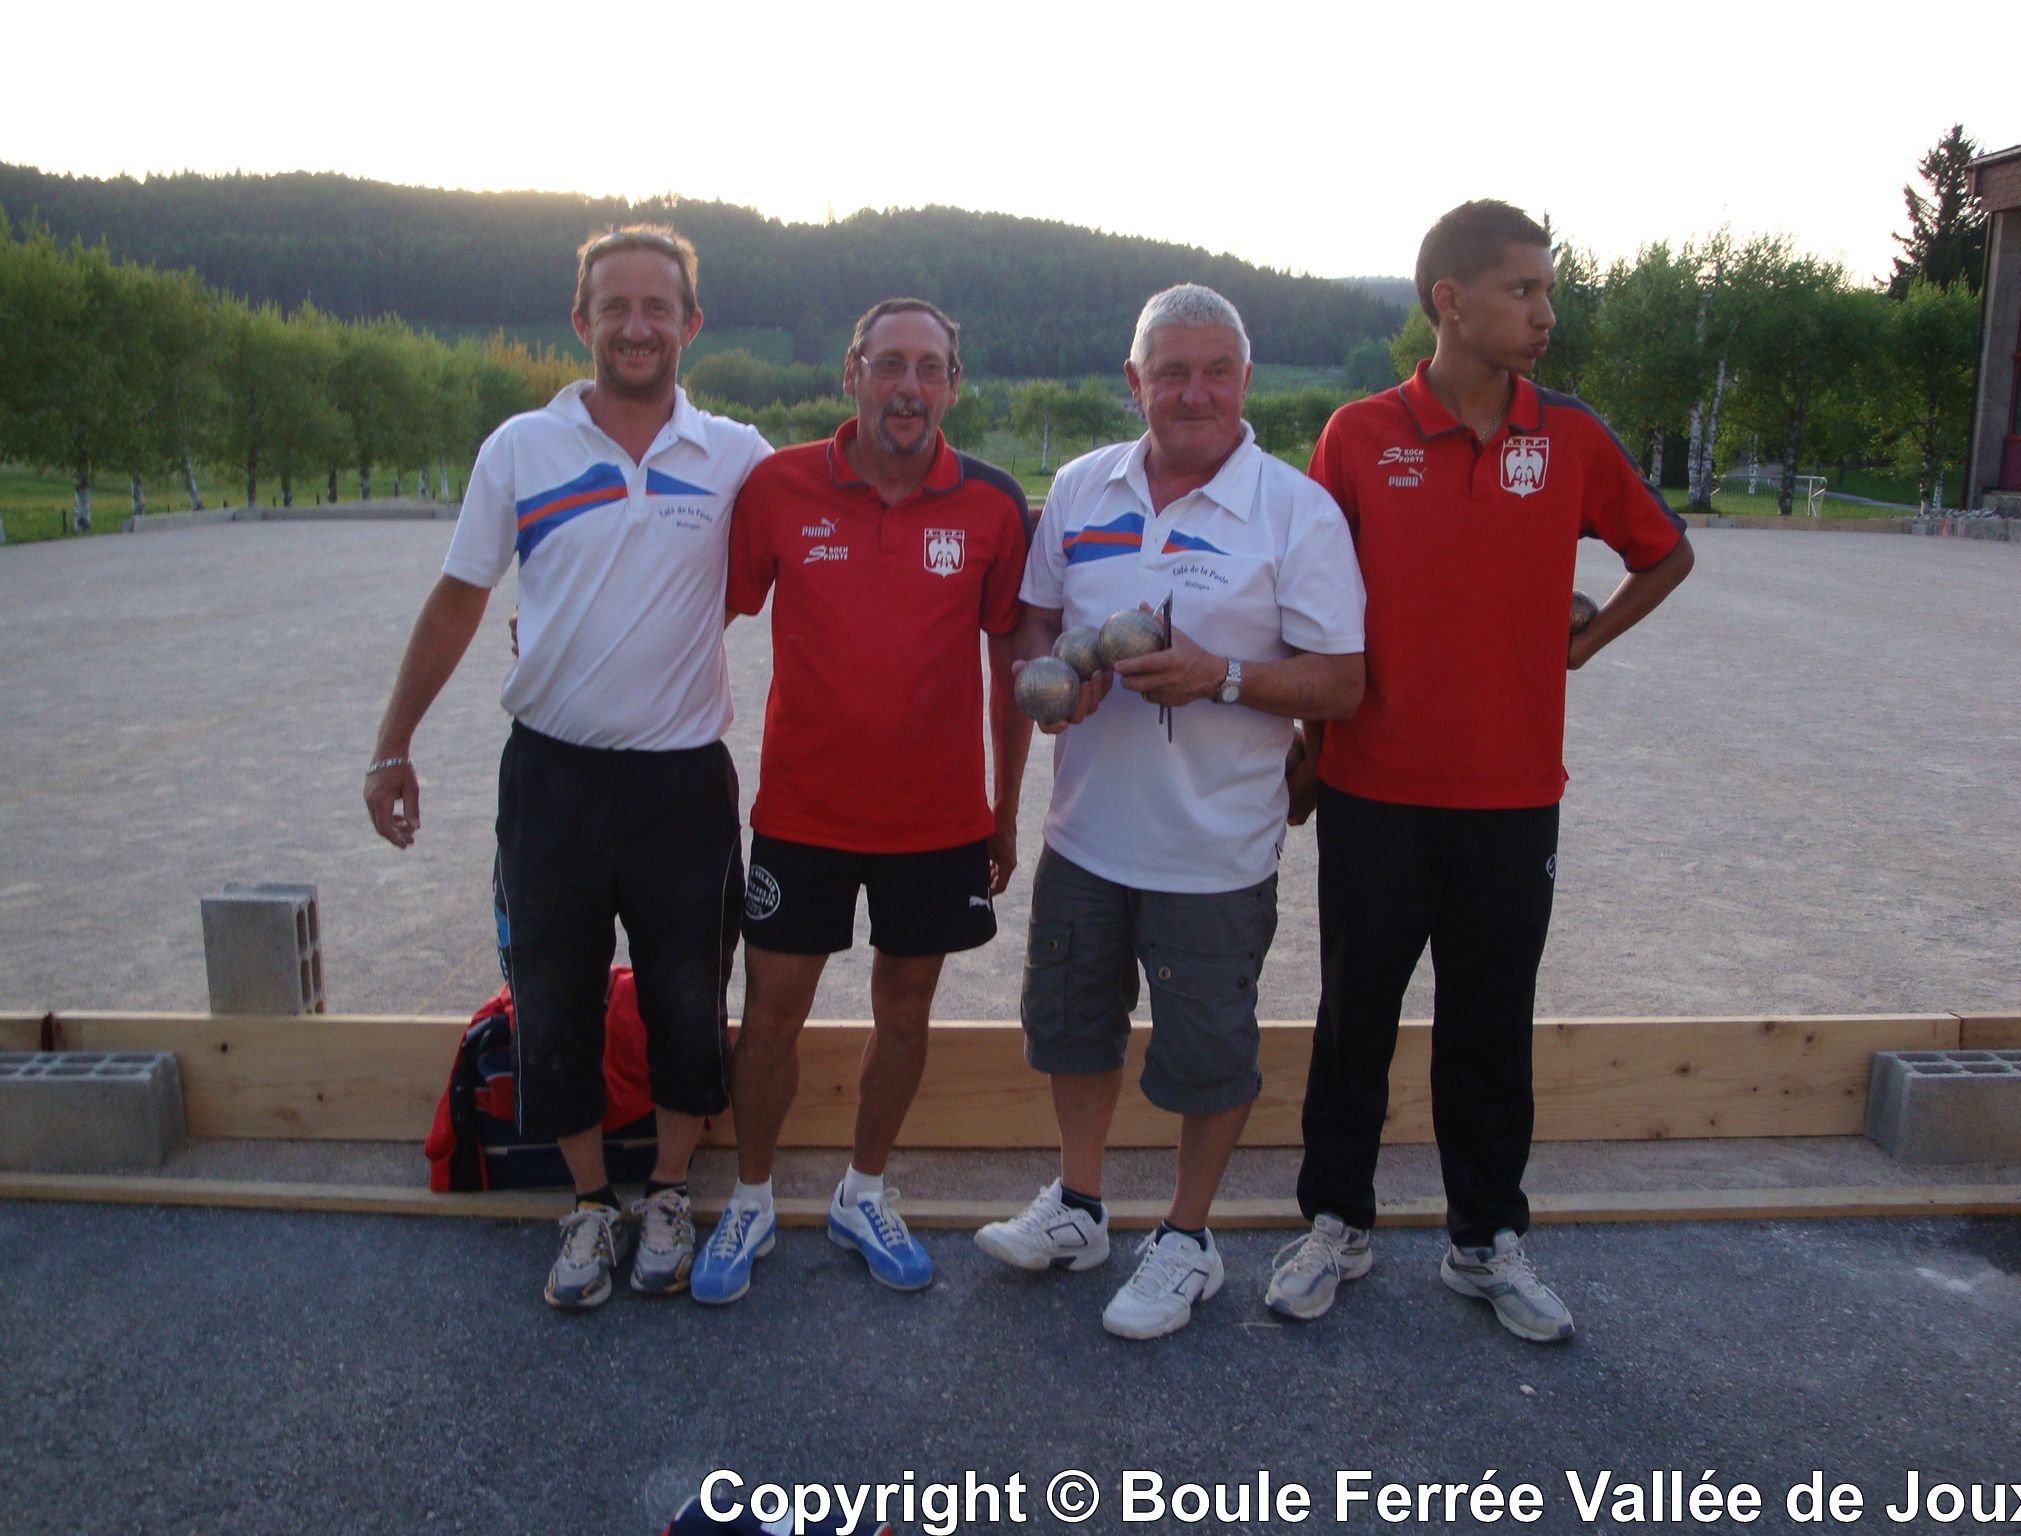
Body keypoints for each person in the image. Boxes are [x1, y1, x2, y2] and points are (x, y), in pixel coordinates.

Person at [1267, 200, 1695, 1342]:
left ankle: (1484, 1242)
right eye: (1524, 290)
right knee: (1353, 1020)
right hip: (1372, 793)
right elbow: (1314, 612)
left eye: (1548, 291)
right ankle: (1336, 1225)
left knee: (1490, 1029)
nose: (1546, 313)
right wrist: (1310, 752)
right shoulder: (1358, 435)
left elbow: (1665, 553)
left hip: (1512, 799)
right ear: (1449, 302)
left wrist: (1580, 645)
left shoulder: (1572, 436)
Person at [365, 225, 771, 1309]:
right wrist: (392, 743)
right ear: (580, 320)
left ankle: (669, 1194)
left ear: (691, 324)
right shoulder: (520, 449)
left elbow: (816, 549)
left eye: (657, 307)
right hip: (551, 777)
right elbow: (461, 596)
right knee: (552, 995)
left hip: (682, 781)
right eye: (614, 307)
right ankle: (590, 1203)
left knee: (689, 994)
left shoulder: (736, 454)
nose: (636, 327)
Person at [973, 284, 1366, 1340]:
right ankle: (1079, 1207)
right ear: (1133, 380)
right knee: (1071, 1030)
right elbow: (1036, 629)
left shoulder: (1294, 510)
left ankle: (1188, 1239)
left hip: (1213, 850)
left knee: (1205, 1055)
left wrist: (1219, 677)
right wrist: (1054, 683)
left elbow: (1341, 683)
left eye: (1216, 372)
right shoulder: (1080, 486)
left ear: (1246, 379)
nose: (1194, 393)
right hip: (1086, 833)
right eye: (1171, 372)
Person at [690, 298, 1033, 1304]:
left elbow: (1010, 665)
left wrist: (1003, 811)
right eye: (889, 365)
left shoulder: (992, 503)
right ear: (852, 374)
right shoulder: (779, 486)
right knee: (771, 1013)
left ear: (952, 387)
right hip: (803, 816)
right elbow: (695, 611)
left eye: (929, 368)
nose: (908, 387)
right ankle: (751, 1199)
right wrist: (570, 635)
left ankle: (863, 1192)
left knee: (906, 1009)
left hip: (935, 822)